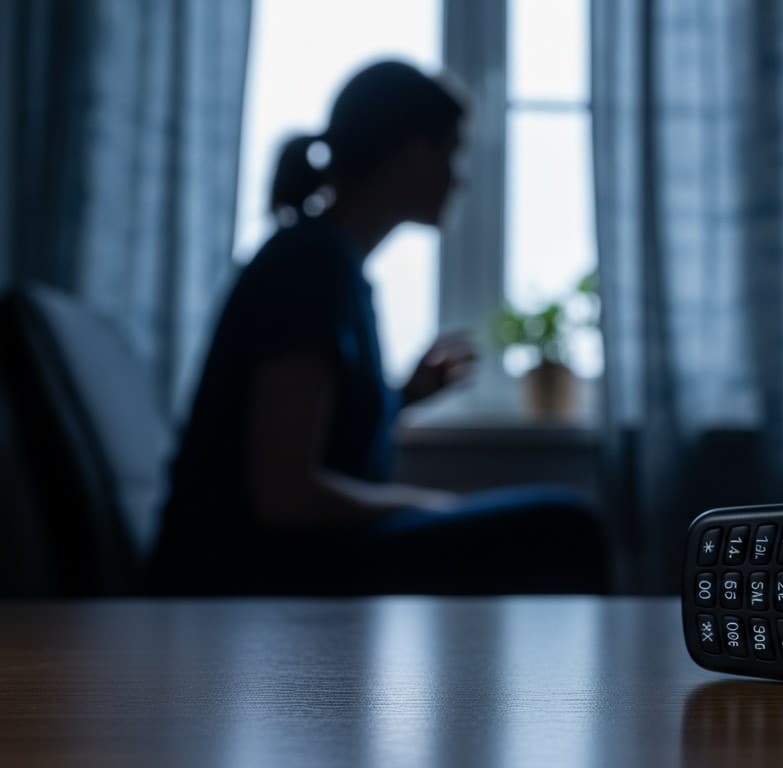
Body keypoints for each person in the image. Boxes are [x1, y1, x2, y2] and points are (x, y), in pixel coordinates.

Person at [151, 61, 607, 595]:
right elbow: (287, 497)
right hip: (249, 572)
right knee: (567, 528)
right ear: (413, 154)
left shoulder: (328, 264)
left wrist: (404, 398)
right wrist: (425, 503)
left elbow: (311, 440)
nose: (459, 177)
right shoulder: (311, 267)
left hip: (283, 559)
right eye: (451, 151)